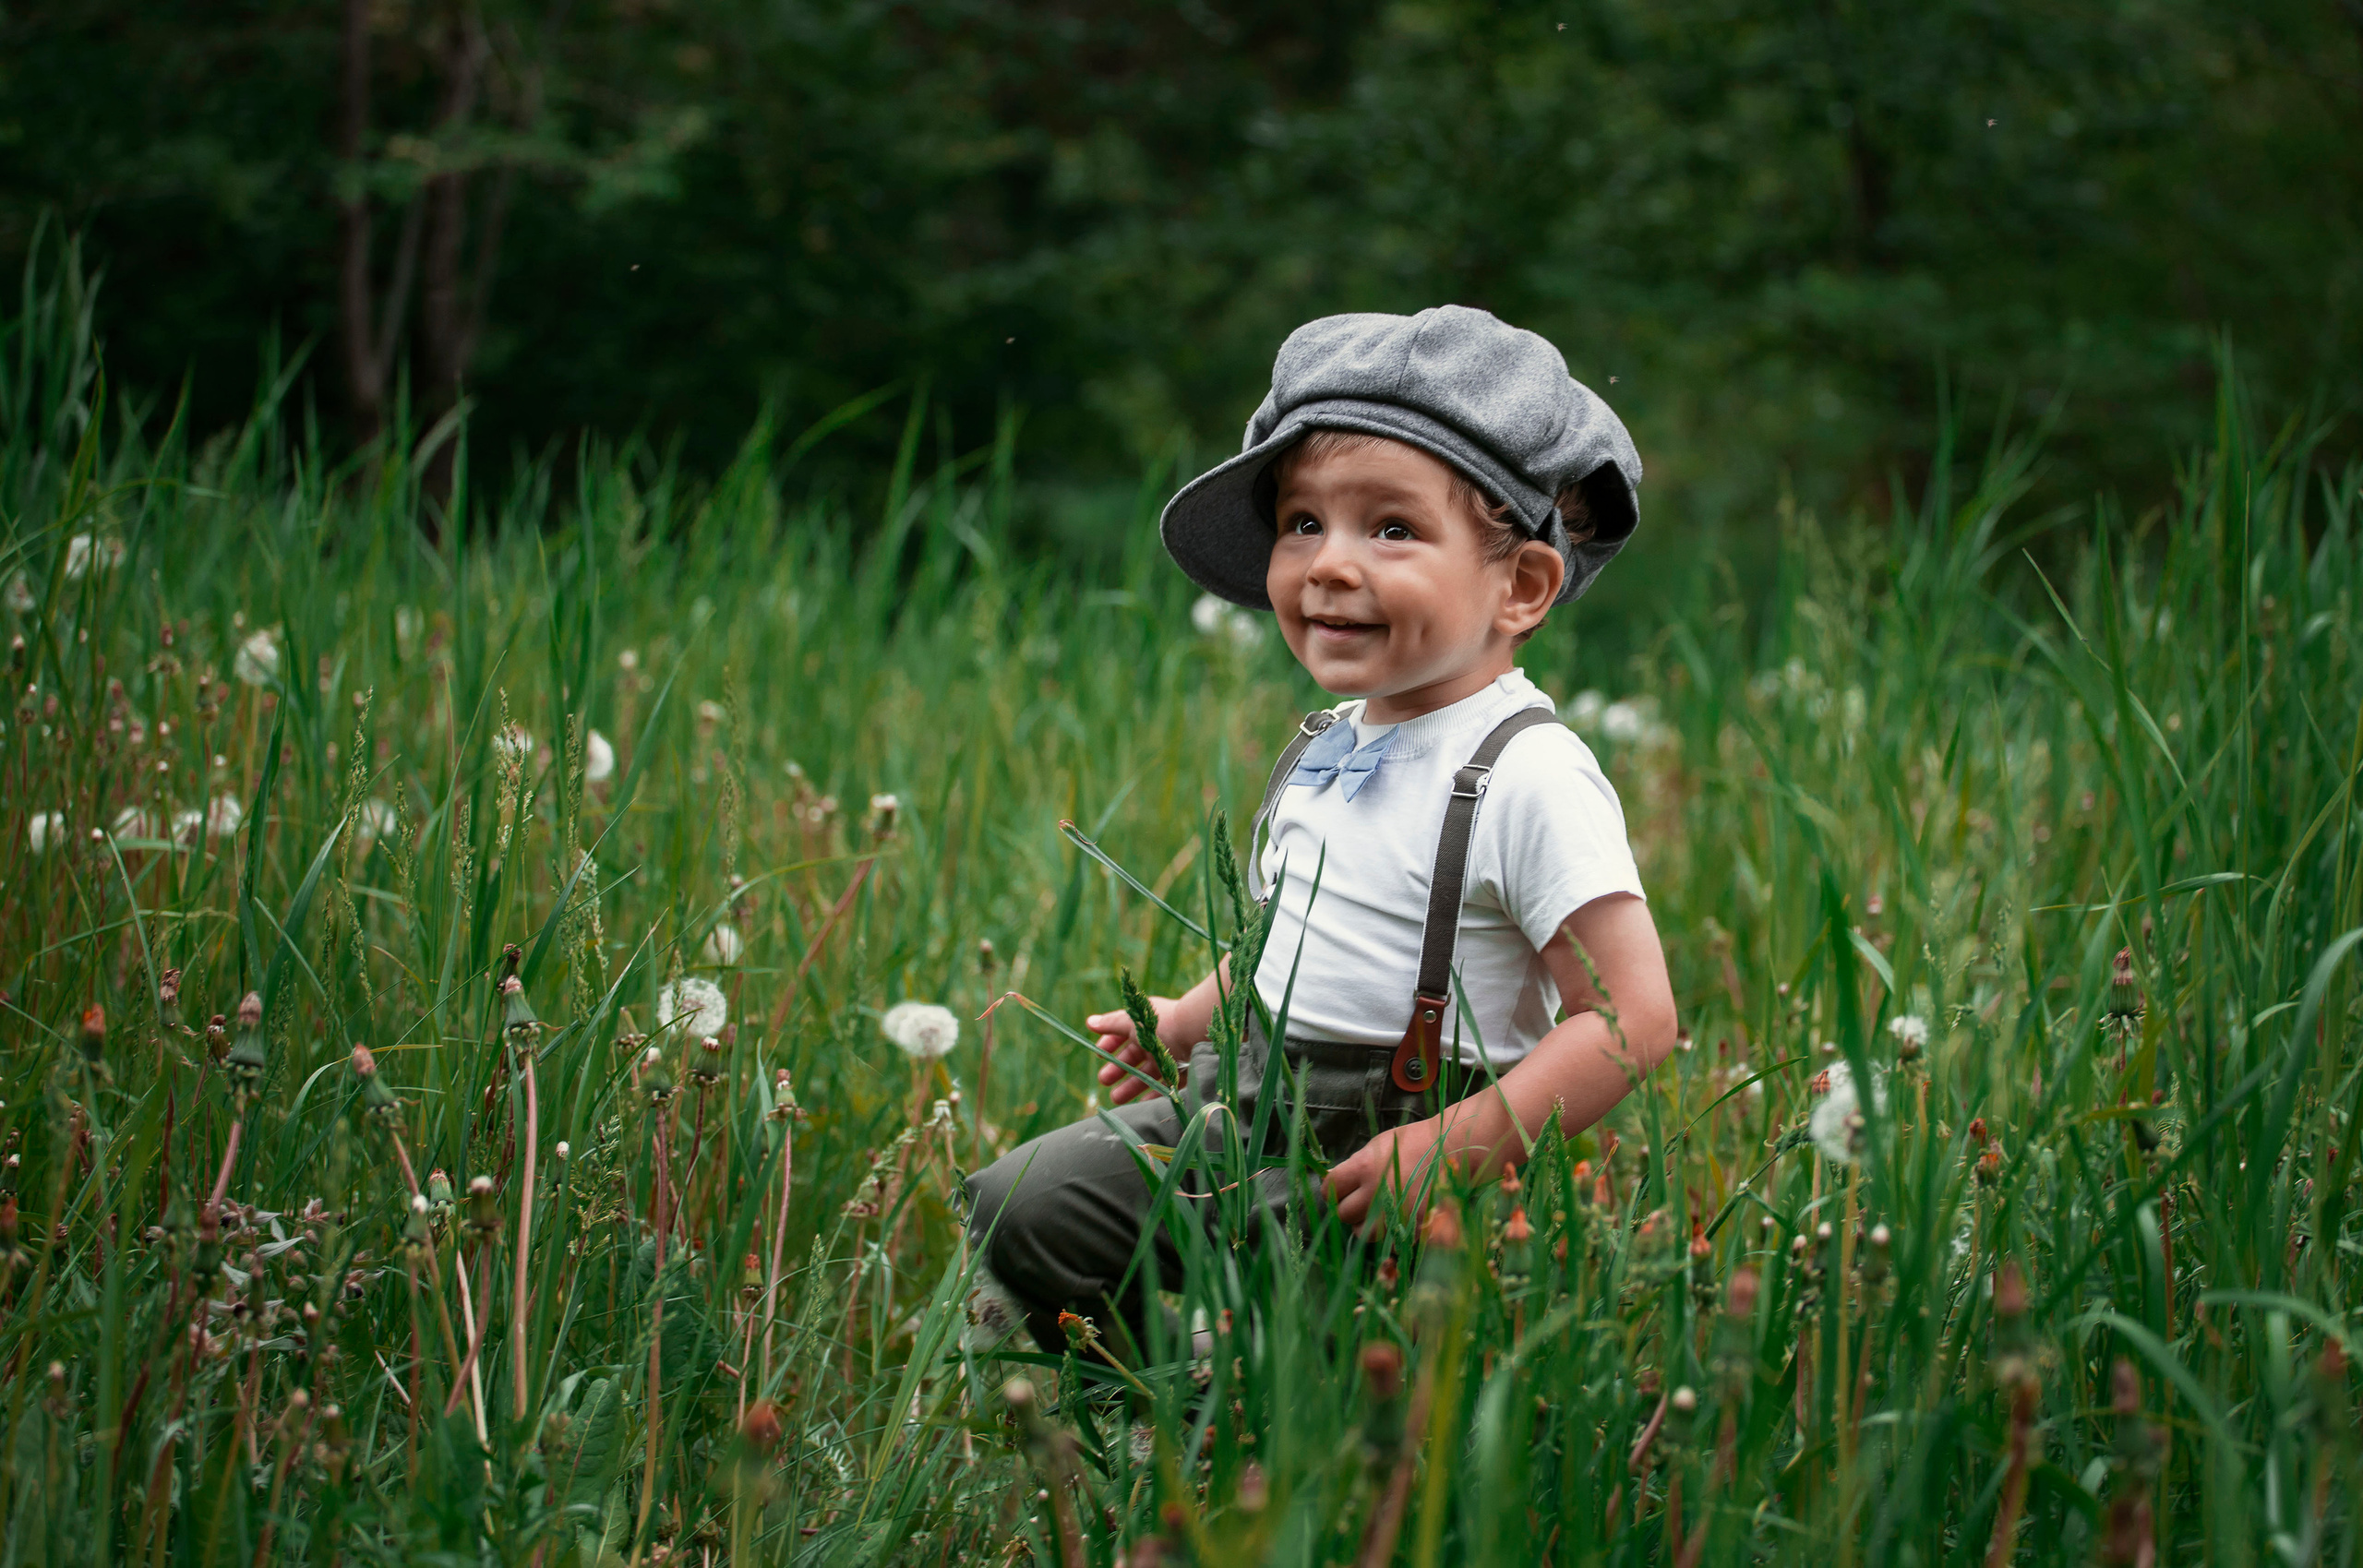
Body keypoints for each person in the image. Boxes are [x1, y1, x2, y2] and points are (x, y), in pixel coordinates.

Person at [964, 305, 1680, 1356]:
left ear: (1521, 584)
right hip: (1243, 1099)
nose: (1328, 563)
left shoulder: (1525, 771)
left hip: (1390, 1138)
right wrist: (1190, 1016)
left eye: (1390, 528)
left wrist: (1459, 1144)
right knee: (1025, 1203)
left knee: (1329, 1360)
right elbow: (1300, 930)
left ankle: (1257, 1409)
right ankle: (1152, 1399)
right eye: (1303, 523)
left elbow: (1630, 1018)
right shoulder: (1329, 741)